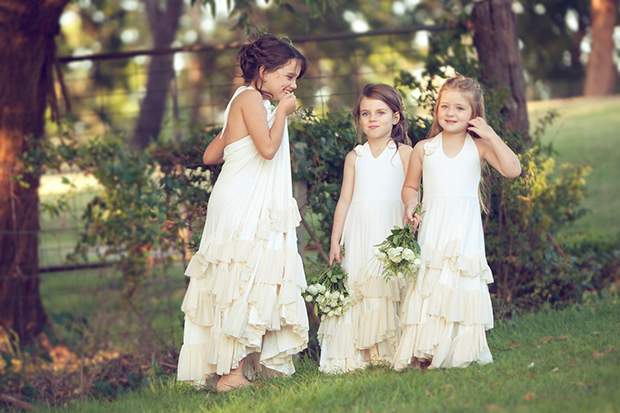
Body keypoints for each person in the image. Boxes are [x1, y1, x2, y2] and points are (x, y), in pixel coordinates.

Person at [177, 34, 309, 391]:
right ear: (264, 72)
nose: (292, 85)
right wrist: (281, 112)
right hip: (242, 201)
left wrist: (233, 132)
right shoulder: (252, 98)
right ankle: (231, 374)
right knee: (240, 280)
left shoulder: (242, 101)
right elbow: (267, 148)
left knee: (244, 278)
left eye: (295, 78)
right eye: (287, 76)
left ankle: (241, 365)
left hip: (237, 197)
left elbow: (210, 156)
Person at [392, 75, 522, 370]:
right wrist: (411, 204)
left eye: (460, 109)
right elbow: (410, 186)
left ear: (474, 115)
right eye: (444, 106)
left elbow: (513, 169)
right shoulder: (424, 149)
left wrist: (490, 135)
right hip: (434, 225)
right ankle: (426, 349)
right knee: (433, 281)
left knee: (459, 280)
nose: (450, 113)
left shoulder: (479, 148)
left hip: (464, 229)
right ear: (436, 109)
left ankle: (457, 349)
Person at [318, 84, 413, 373]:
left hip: (390, 227)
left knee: (388, 286)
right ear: (359, 119)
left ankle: (389, 348)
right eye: (365, 113)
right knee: (358, 284)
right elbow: (345, 201)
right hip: (358, 230)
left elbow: (413, 191)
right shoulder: (354, 157)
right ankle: (357, 351)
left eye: (381, 112)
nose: (373, 119)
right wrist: (335, 241)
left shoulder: (405, 153)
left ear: (395, 118)